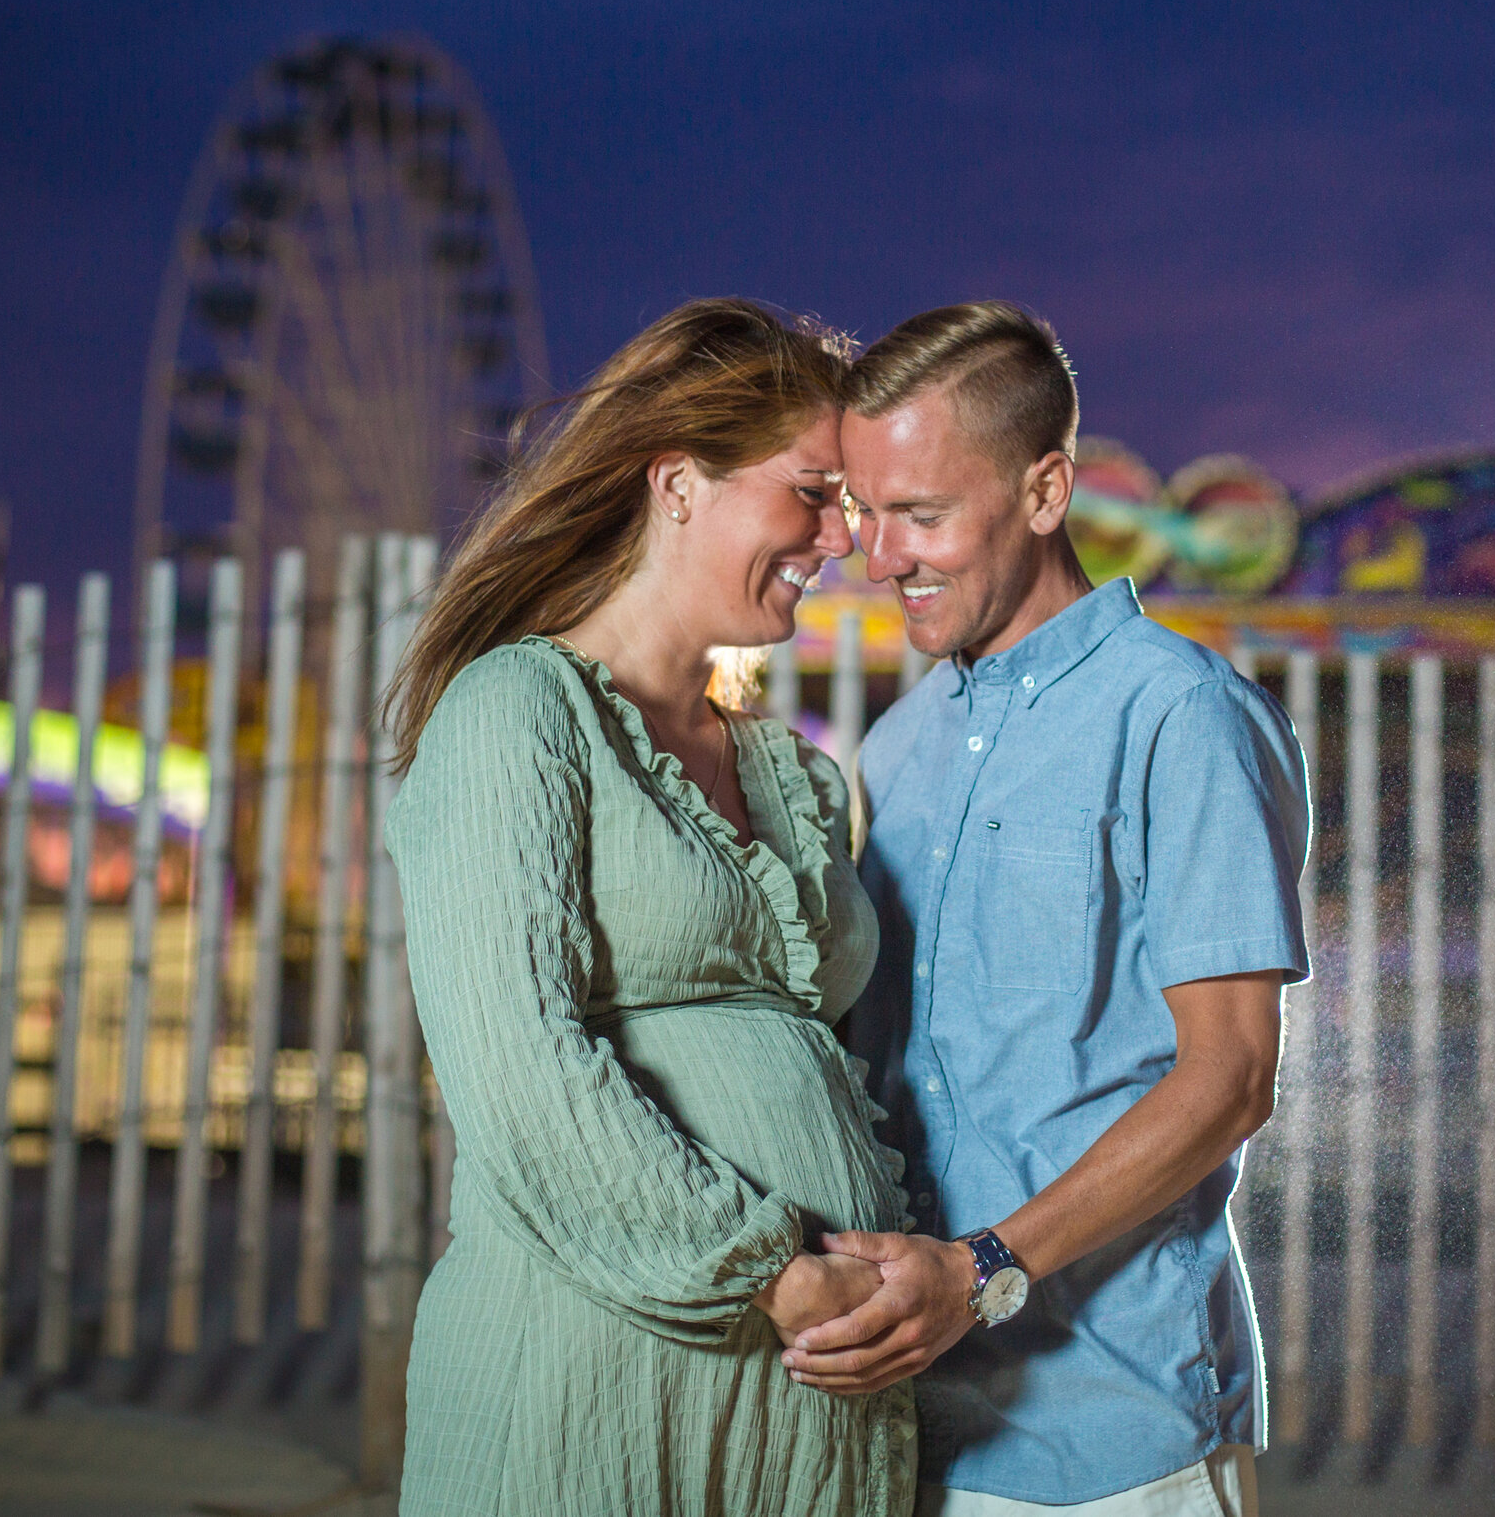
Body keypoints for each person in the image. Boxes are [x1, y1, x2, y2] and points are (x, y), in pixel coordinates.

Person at [381, 298, 919, 1516]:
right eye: (814, 490)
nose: (842, 535)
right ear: (678, 481)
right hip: (590, 1364)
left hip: (809, 1402)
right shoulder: (516, 712)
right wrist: (771, 1270)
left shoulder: (797, 774)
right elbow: (517, 1067)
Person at [792, 302, 1311, 1515]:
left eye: (922, 514)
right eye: (868, 514)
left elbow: (1230, 1075)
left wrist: (979, 1271)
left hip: (1119, 1438)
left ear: (1045, 491)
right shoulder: (903, 741)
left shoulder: (1181, 716)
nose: (879, 558)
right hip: (903, 1420)